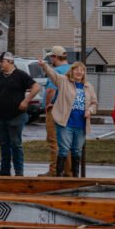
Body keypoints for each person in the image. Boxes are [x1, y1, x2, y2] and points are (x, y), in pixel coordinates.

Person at [0, 52, 40, 176]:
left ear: (9, 61)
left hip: (16, 116)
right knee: (3, 144)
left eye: (1, 61)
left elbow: (36, 87)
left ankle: (19, 173)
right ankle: (5, 170)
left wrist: (26, 101)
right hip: (0, 117)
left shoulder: (21, 75)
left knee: (15, 144)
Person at [38, 56, 98, 177]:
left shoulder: (88, 86)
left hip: (81, 124)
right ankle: (59, 176)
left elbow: (94, 103)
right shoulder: (64, 81)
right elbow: (53, 75)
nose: (79, 72)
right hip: (65, 123)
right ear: (72, 71)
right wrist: (45, 66)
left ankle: (75, 177)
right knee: (64, 149)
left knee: (77, 151)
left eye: (82, 70)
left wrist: (90, 111)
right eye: (77, 69)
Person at [43, 46, 70, 175]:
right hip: (69, 111)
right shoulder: (72, 70)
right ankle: (68, 171)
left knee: (53, 141)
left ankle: (53, 171)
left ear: (55, 57)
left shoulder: (57, 71)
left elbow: (50, 90)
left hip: (55, 110)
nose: (50, 60)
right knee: (66, 141)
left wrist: (48, 104)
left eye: (51, 57)